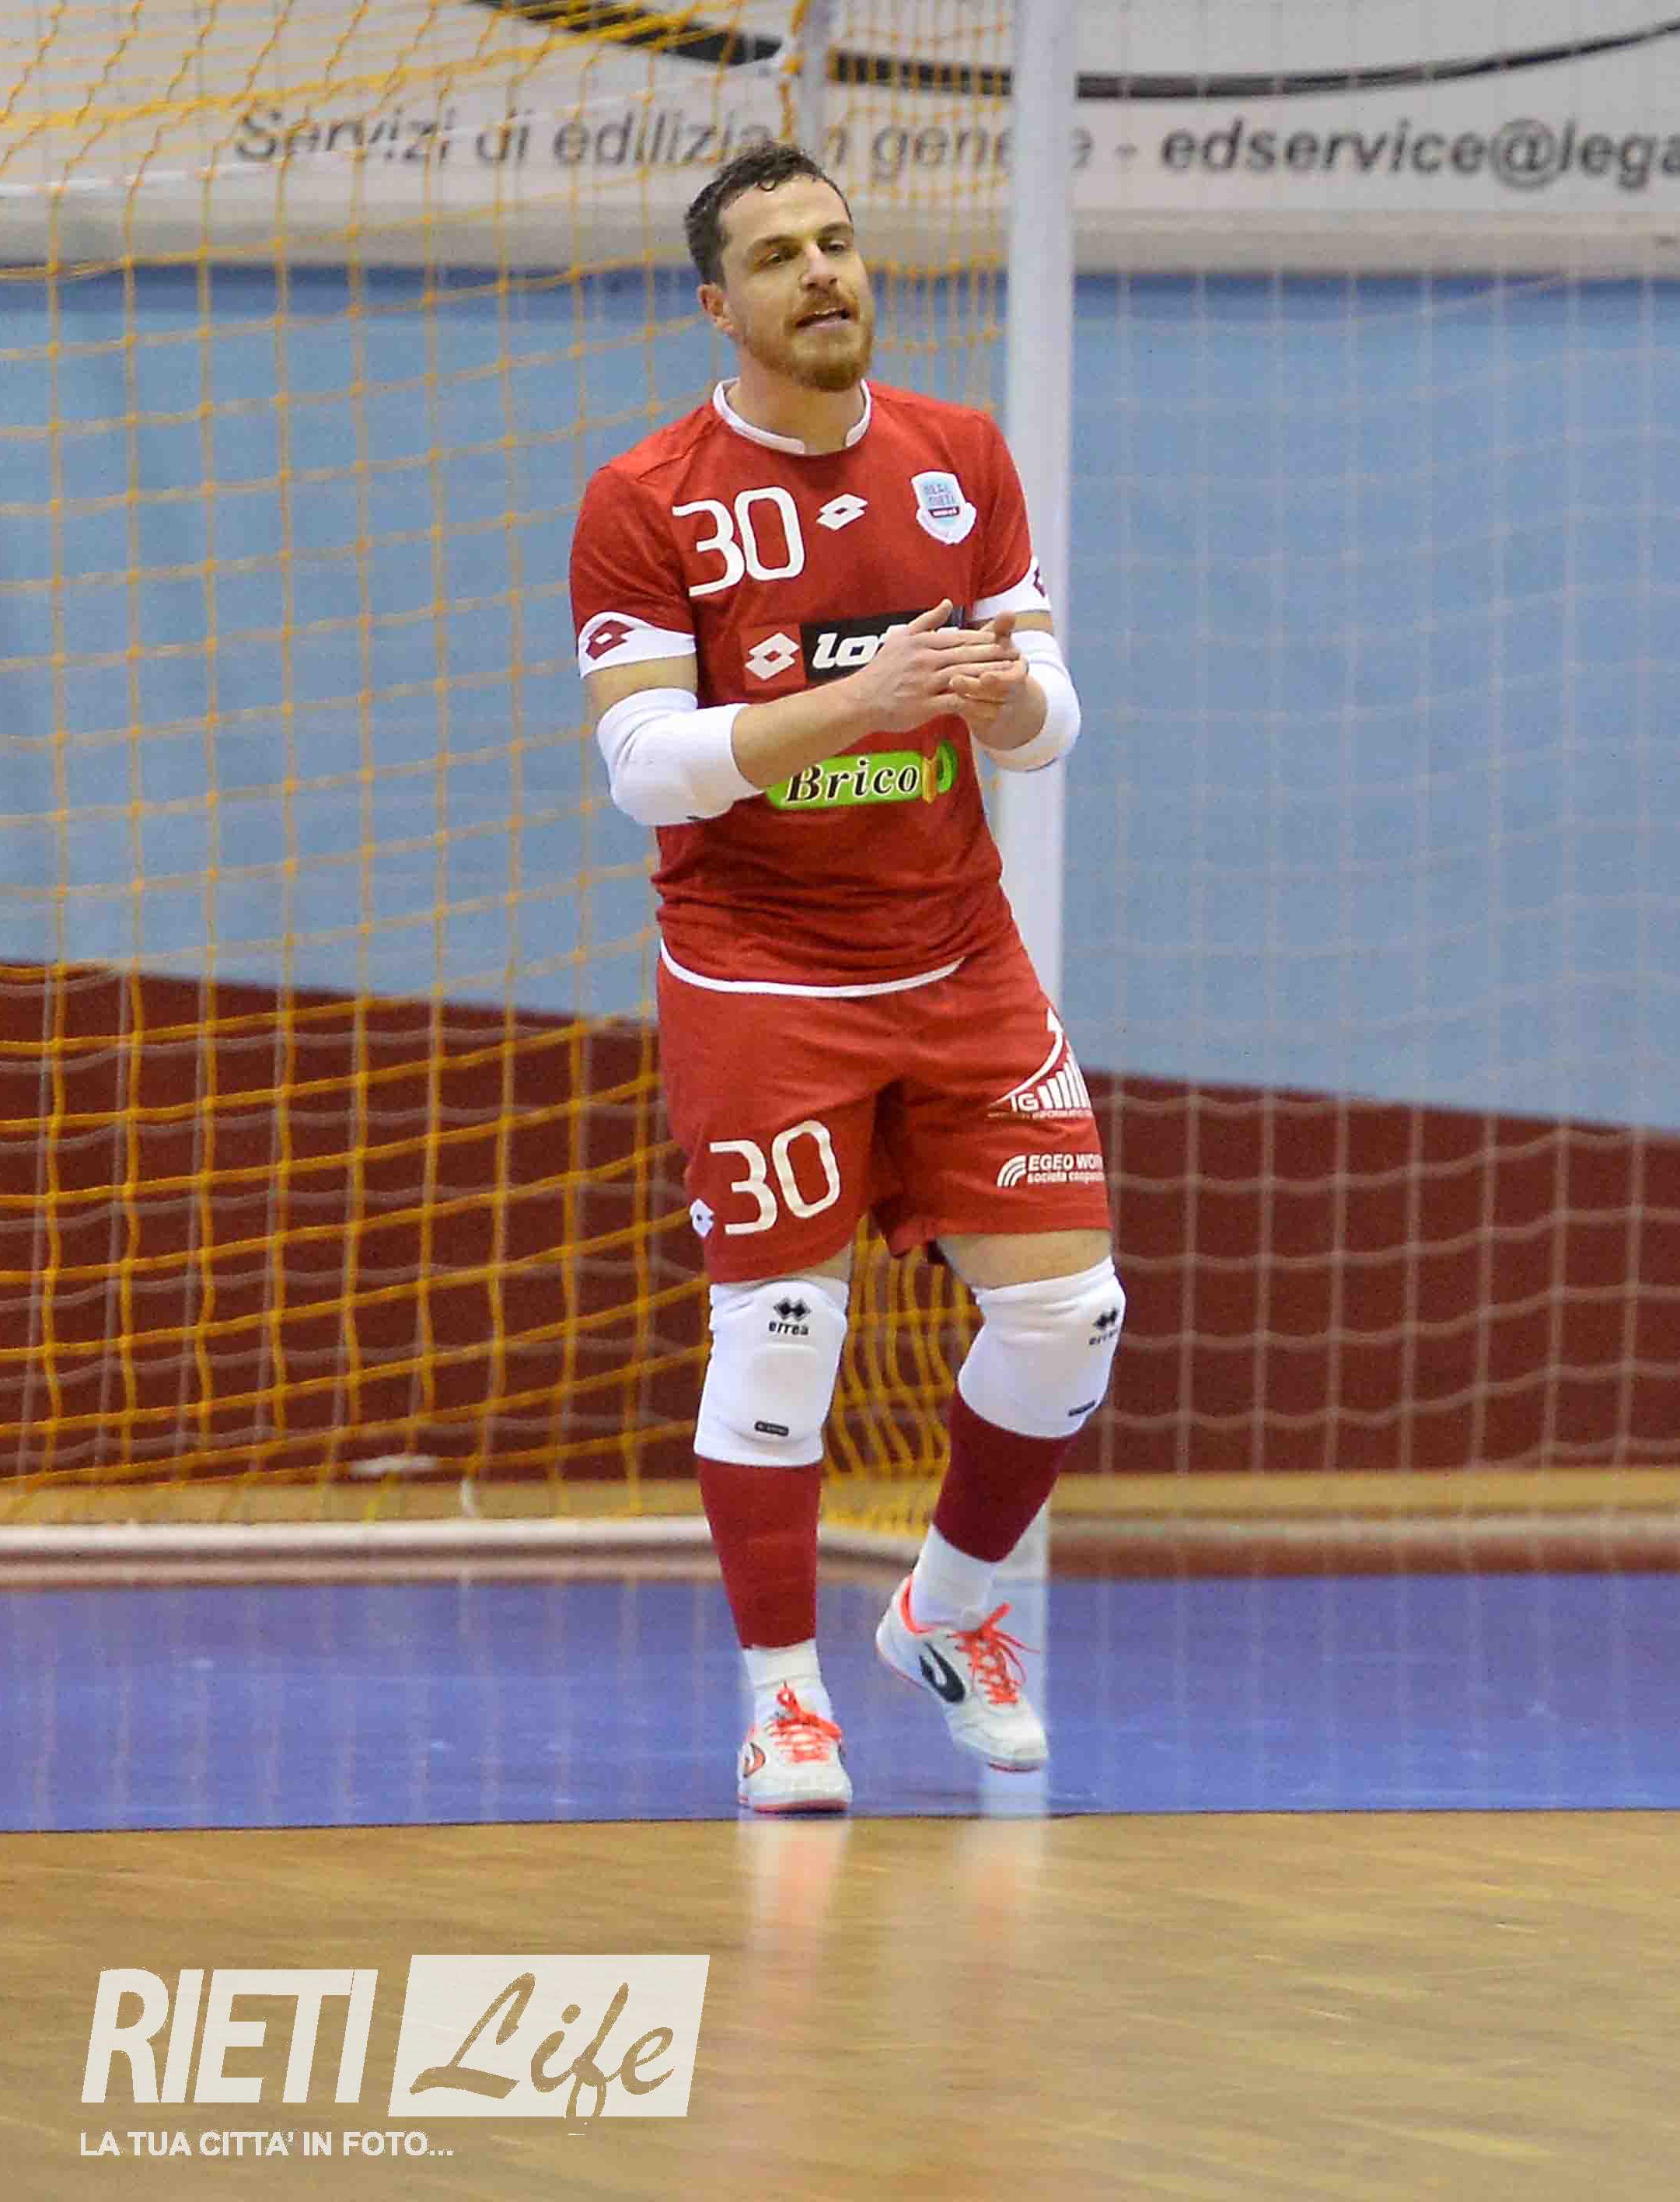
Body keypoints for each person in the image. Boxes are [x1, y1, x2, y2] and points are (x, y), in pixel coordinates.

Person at [569, 143, 1121, 1814]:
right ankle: (784, 1701)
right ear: (716, 306)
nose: (821, 272)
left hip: (957, 957)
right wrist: (858, 704)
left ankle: (946, 1612)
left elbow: (1050, 721)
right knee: (784, 1328)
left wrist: (1003, 700)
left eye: (837, 241)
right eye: (777, 256)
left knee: (1070, 1316)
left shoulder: (960, 456)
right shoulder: (647, 498)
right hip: (759, 978)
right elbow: (647, 767)